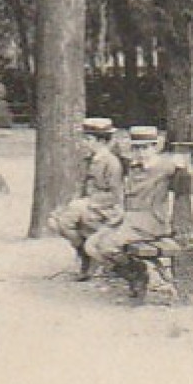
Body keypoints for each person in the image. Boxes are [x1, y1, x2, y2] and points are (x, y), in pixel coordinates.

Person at [85, 126, 190, 299]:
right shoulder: (135, 167)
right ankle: (133, 271)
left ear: (155, 147)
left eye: (145, 147)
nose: (141, 152)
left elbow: (187, 183)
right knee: (91, 246)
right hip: (129, 218)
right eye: (137, 148)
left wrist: (183, 167)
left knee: (107, 246)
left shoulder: (165, 166)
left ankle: (138, 275)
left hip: (151, 221)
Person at [47, 117, 124, 279]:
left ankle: (88, 258)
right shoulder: (89, 160)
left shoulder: (111, 163)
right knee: (54, 221)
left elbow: (116, 196)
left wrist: (87, 203)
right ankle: (84, 253)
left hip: (104, 211)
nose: (85, 143)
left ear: (101, 141)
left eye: (88, 139)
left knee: (67, 219)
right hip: (87, 208)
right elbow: (83, 188)